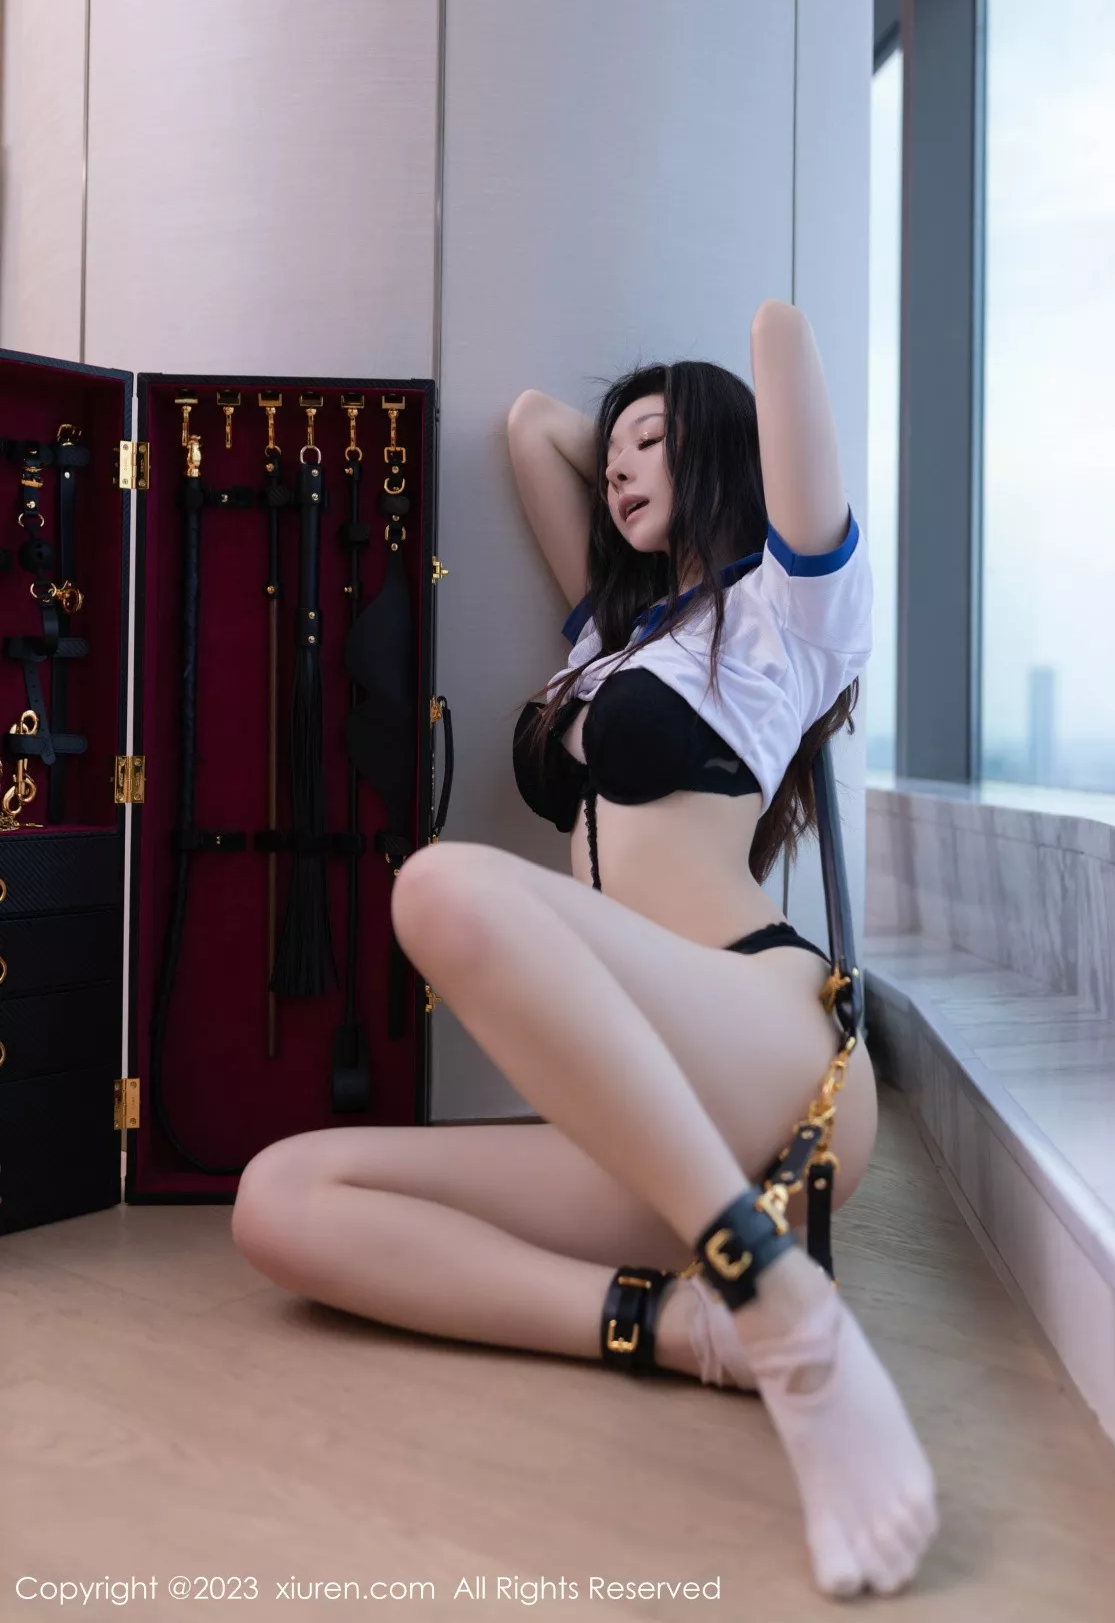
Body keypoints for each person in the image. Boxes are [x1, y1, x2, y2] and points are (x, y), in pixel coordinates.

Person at [231, 299, 938, 1599]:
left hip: (766, 1047)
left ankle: (784, 1312)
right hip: (649, 1114)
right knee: (279, 1196)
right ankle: (690, 1328)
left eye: (651, 446)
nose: (614, 468)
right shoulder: (619, 639)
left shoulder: (788, 615)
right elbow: (530, 431)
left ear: (719, 453)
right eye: (614, 455)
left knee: (443, 891)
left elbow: (779, 342)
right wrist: (631, 432)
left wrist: (699, 400)